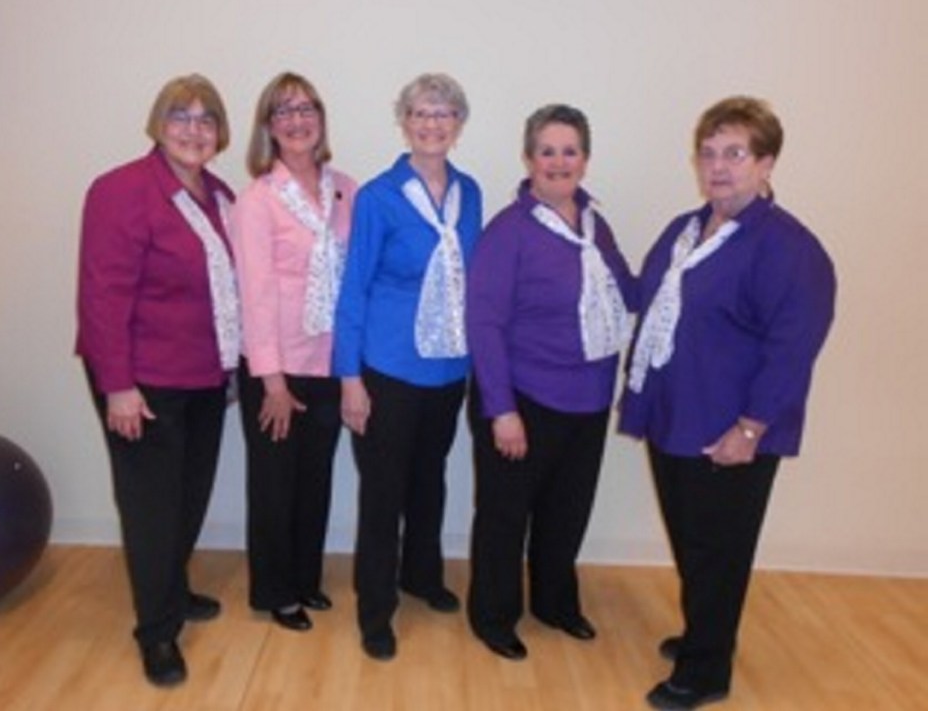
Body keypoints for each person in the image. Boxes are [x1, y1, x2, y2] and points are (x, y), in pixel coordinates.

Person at [619, 96, 836, 710]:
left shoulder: (787, 247)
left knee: (719, 550)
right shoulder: (686, 230)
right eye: (709, 153)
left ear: (766, 163)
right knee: (693, 542)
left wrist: (752, 426)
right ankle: (705, 635)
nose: (719, 167)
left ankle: (705, 672)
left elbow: (793, 346)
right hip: (674, 416)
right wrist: (584, 236)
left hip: (729, 428)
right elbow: (643, 290)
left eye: (735, 154)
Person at [76, 74, 239, 688]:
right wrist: (118, 385)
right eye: (181, 116)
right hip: (141, 383)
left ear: (220, 132)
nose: (193, 130)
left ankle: (171, 589)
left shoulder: (219, 194)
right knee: (150, 508)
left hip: (201, 376)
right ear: (157, 124)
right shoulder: (122, 190)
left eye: (206, 119)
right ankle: (157, 633)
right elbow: (102, 294)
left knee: (187, 498)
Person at [465, 104, 636, 660]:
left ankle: (556, 603)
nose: (558, 162)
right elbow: (484, 323)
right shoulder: (508, 231)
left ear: (585, 159)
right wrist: (501, 410)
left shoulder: (595, 226)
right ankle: (493, 616)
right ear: (529, 158)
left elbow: (624, 292)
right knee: (504, 516)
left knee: (567, 512)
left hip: (588, 399)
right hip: (522, 399)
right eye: (547, 150)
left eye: (569, 151)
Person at [333, 73, 482, 661]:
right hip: (387, 370)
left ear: (458, 124)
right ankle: (375, 610)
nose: (432, 124)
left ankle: (421, 575)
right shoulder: (378, 197)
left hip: (448, 370)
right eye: (421, 113)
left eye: (444, 114)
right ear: (405, 121)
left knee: (430, 480)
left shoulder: (470, 192)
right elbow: (353, 291)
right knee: (384, 494)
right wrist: (350, 378)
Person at [231, 72, 357, 632]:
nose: (297, 119)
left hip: (331, 361)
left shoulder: (346, 189)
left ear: (321, 118)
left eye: (306, 108)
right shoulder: (257, 200)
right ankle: (274, 590)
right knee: (275, 484)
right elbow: (254, 295)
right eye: (283, 111)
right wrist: (273, 382)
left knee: (316, 478)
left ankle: (306, 577)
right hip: (276, 367)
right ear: (269, 128)